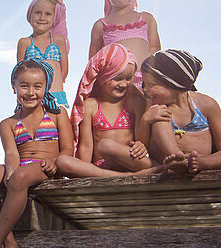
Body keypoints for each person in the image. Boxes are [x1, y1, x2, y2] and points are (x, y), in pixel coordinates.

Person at [0, 59, 73, 248]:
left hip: (47, 169)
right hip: (22, 167)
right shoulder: (8, 123)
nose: (30, 92)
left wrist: (55, 163)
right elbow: (11, 154)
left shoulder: (57, 115)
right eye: (24, 85)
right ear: (14, 86)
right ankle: (10, 244)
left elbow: (67, 149)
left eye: (37, 86)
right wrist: (10, 170)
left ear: (46, 88)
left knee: (18, 178)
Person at [137, 49, 221, 174]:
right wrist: (145, 120)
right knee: (159, 116)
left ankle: (203, 163)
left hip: (203, 162)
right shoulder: (154, 106)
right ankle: (178, 159)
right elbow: (142, 144)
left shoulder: (206, 105)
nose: (146, 90)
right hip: (170, 163)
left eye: (152, 85)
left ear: (176, 84)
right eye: (145, 84)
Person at [56, 43, 171, 177]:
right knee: (61, 161)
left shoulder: (134, 103)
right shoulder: (90, 105)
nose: (123, 84)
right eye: (117, 79)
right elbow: (86, 146)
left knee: (107, 146)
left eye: (128, 79)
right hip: (100, 167)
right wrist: (83, 168)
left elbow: (141, 140)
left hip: (131, 161)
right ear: (102, 77)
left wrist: (140, 145)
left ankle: (160, 168)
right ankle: (123, 177)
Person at [88, 0, 161, 92]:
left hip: (145, 82)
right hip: (115, 84)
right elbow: (93, 61)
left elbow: (155, 48)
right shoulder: (101, 25)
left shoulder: (146, 19)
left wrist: (150, 74)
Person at [16, 0, 69, 107]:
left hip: (55, 94)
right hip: (31, 97)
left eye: (48, 14)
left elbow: (63, 69)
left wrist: (55, 86)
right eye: (38, 13)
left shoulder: (59, 41)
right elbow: (19, 73)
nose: (42, 17)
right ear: (30, 15)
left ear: (54, 18)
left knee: (56, 123)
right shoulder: (24, 42)